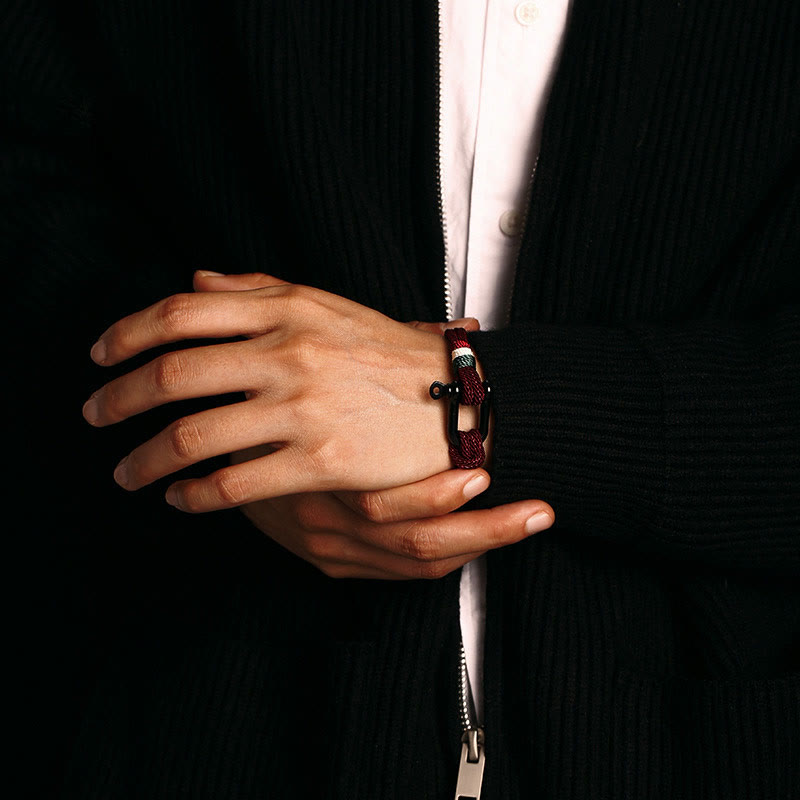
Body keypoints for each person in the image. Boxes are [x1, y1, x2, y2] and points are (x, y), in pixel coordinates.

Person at [6, 0, 799, 797]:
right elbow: (33, 168)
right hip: (211, 713)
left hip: (724, 736)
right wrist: (228, 415)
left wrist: (508, 405)